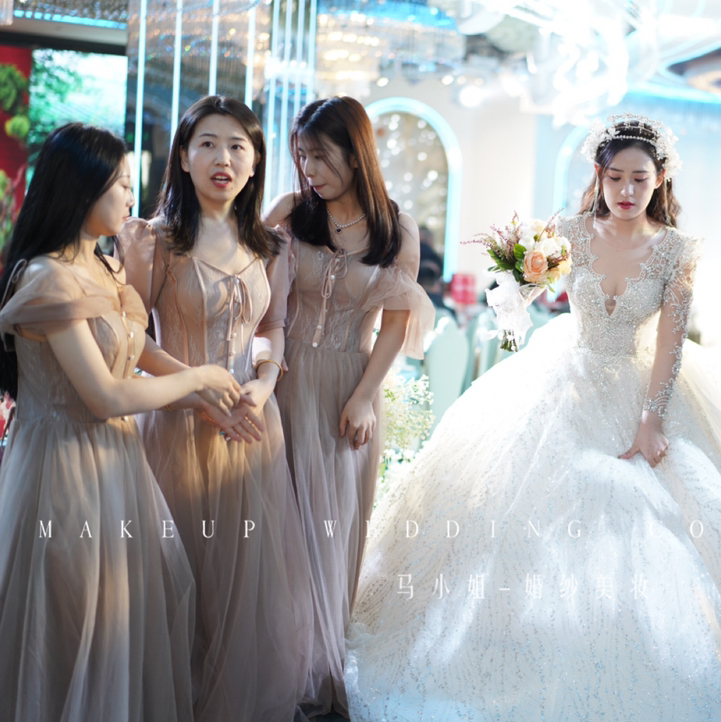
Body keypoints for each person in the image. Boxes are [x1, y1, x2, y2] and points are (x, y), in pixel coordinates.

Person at [342, 114, 721, 720]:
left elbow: (669, 342)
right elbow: (512, 301)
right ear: (599, 175)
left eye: (640, 178)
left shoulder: (677, 250)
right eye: (615, 178)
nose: (627, 190)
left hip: (643, 388)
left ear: (659, 179)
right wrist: (509, 291)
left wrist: (651, 417)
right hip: (564, 378)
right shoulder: (568, 233)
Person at [0, 123, 242, 721]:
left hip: (116, 467)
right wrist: (199, 379)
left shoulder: (105, 267)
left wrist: (204, 395)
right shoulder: (46, 277)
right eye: (122, 185)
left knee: (113, 626)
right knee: (66, 624)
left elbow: (138, 350)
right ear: (82, 188)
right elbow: (105, 396)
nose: (132, 197)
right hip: (62, 469)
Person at [117, 96, 314, 722]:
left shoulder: (272, 245)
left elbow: (272, 326)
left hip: (249, 427)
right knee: (173, 576)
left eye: (237, 146)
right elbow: (132, 338)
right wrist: (198, 390)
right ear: (183, 156)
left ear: (255, 163)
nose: (221, 158)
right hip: (174, 420)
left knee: (240, 586)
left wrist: (263, 384)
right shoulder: (152, 240)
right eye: (207, 143)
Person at [264, 95, 434, 718]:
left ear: (355, 153)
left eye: (321, 155)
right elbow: (258, 296)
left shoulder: (396, 228)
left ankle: (317, 673)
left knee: (331, 533)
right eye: (302, 156)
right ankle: (273, 667)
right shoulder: (290, 212)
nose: (309, 169)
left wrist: (364, 396)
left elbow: (395, 323)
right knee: (277, 529)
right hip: (281, 380)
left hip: (348, 389)